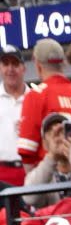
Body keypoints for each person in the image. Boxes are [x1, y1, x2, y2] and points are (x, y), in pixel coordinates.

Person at [17, 39, 71, 171]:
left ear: (38, 66)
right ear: (64, 64)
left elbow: (27, 154)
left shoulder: (36, 95)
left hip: (53, 182)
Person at [22, 112, 71, 207]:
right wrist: (52, 156)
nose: (58, 138)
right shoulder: (40, 173)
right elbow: (30, 198)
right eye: (51, 133)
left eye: (62, 131)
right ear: (44, 144)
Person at [0, 45, 29, 189]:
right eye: (5, 64)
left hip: (30, 172)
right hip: (1, 172)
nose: (10, 69)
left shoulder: (36, 98)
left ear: (24, 68)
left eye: (15, 64)